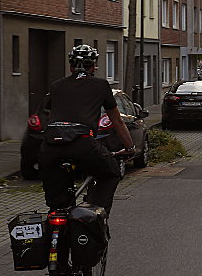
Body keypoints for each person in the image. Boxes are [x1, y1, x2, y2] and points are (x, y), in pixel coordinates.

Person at [39, 44, 134, 219]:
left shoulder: (56, 85)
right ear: (93, 66)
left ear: (71, 66)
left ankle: (55, 229)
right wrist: (130, 147)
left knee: (56, 202)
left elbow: (48, 113)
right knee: (111, 172)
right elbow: (117, 120)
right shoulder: (101, 85)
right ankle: (96, 217)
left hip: (50, 148)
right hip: (82, 144)